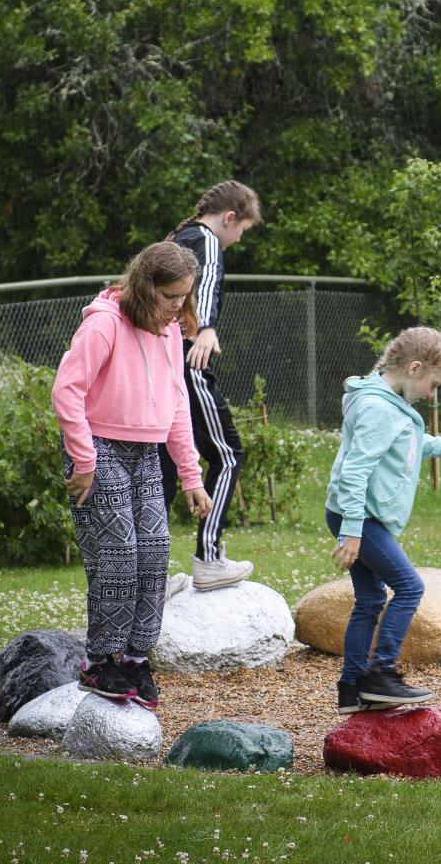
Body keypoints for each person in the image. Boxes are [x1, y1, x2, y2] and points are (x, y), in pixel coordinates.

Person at [53, 242, 215, 708]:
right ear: (146, 289)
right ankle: (100, 661)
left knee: (155, 550)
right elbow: (67, 392)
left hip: (146, 453)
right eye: (171, 297)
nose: (179, 307)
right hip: (99, 450)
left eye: (185, 296)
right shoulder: (104, 324)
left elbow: (177, 402)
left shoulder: (170, 331)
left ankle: (135, 660)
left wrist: (191, 475)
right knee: (120, 551)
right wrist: (83, 461)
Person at [325, 327, 441, 714]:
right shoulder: (378, 408)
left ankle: (352, 688)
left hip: (357, 513)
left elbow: (407, 441)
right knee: (409, 588)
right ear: (414, 368)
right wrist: (352, 531)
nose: (433, 393)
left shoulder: (388, 403)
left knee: (371, 599)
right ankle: (382, 673)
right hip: (362, 516)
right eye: (434, 383)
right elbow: (356, 471)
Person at [158, 180, 260, 592]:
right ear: (230, 217)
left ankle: (153, 575)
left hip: (162, 367)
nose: (238, 239)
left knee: (162, 468)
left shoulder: (179, 238)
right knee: (229, 454)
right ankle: (209, 558)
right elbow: (211, 281)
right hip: (189, 364)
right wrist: (208, 328)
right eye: (243, 230)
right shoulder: (207, 239)